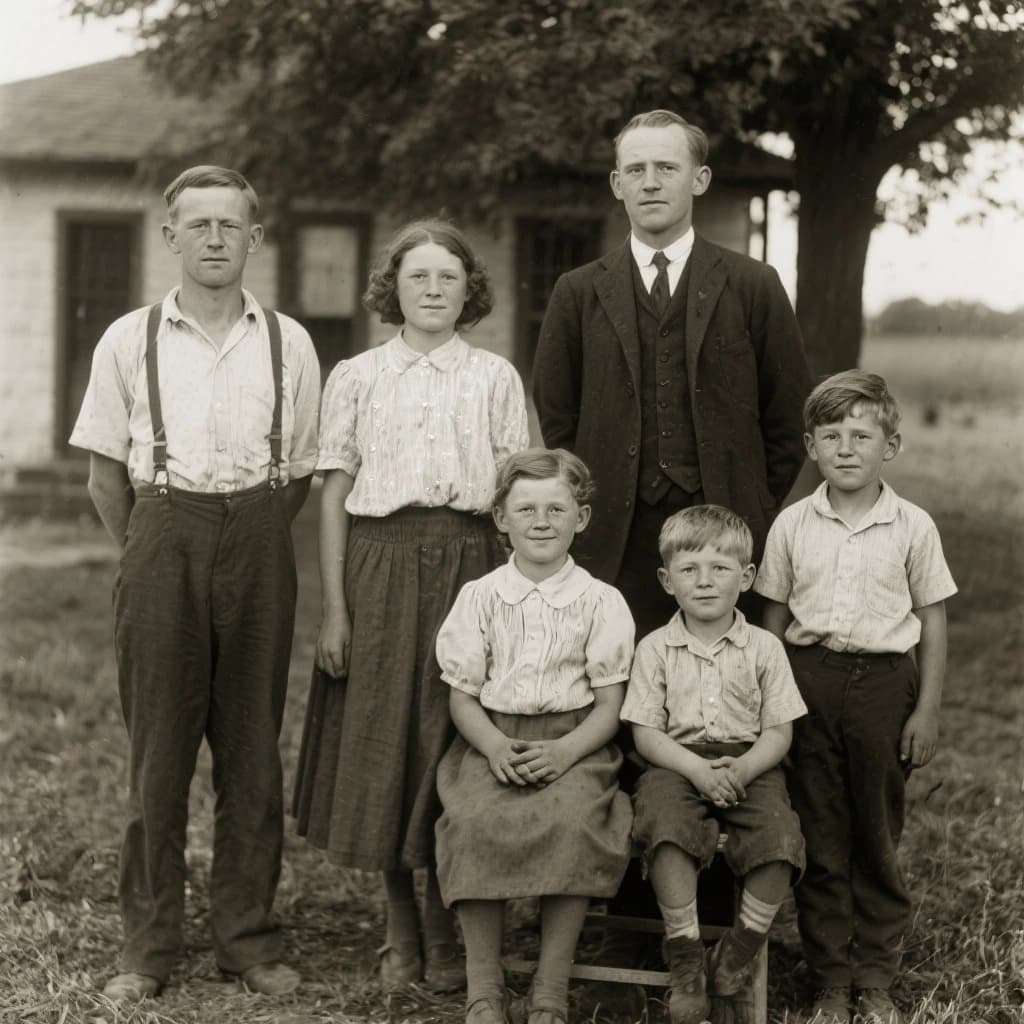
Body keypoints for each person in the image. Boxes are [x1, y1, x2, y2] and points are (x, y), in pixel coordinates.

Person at [69, 166, 320, 1000]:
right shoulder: (125, 339)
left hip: (258, 534)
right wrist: (155, 547)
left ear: (256, 236)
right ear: (171, 237)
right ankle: (148, 950)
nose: (216, 239)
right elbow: (107, 478)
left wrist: (241, 540)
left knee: (252, 753)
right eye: (198, 225)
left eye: (231, 225)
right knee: (158, 758)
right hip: (161, 534)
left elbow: (301, 477)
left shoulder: (291, 341)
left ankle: (248, 941)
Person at [291, 220, 530, 994]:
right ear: (392, 288)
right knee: (383, 741)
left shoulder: (495, 376)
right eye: (418, 276)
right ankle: (398, 928)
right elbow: (334, 495)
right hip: (379, 564)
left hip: (470, 561)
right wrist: (336, 609)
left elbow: (516, 499)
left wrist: (513, 598)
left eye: (448, 278)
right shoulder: (357, 375)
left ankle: (447, 921)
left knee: (451, 738)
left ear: (470, 291)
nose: (432, 290)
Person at [533, 109, 811, 640]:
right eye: (635, 170)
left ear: (699, 179)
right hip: (617, 533)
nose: (651, 182)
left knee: (720, 689)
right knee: (617, 684)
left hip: (723, 533)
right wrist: (598, 493)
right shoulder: (578, 290)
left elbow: (786, 414)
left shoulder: (753, 285)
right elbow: (558, 415)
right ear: (618, 185)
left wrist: (747, 499)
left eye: (667, 167)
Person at [754, 371, 956, 1024]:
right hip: (808, 684)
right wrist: (771, 701)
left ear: (889, 446)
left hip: (884, 689)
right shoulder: (791, 524)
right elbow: (773, 621)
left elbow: (933, 619)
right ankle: (831, 983)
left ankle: (874, 979)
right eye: (832, 435)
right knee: (820, 835)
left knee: (874, 832)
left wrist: (925, 709)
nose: (847, 448)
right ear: (811, 446)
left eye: (862, 434)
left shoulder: (913, 526)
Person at [433, 448, 635, 1024]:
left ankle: (549, 987)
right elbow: (463, 695)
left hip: (577, 743)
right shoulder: (481, 596)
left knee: (573, 823)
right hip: (492, 741)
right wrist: (494, 746)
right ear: (500, 518)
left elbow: (611, 705)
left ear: (583, 518)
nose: (541, 521)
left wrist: (569, 750)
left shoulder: (601, 601)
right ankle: (484, 988)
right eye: (525, 509)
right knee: (471, 822)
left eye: (556, 508)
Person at [621, 504, 807, 1024]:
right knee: (664, 827)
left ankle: (736, 953)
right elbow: (646, 733)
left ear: (746, 576)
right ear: (666, 579)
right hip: (675, 765)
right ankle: (684, 956)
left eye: (720, 569)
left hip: (750, 762)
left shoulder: (765, 649)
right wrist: (697, 771)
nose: (705, 582)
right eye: (689, 570)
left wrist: (743, 770)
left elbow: (779, 731)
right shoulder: (654, 649)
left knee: (781, 839)